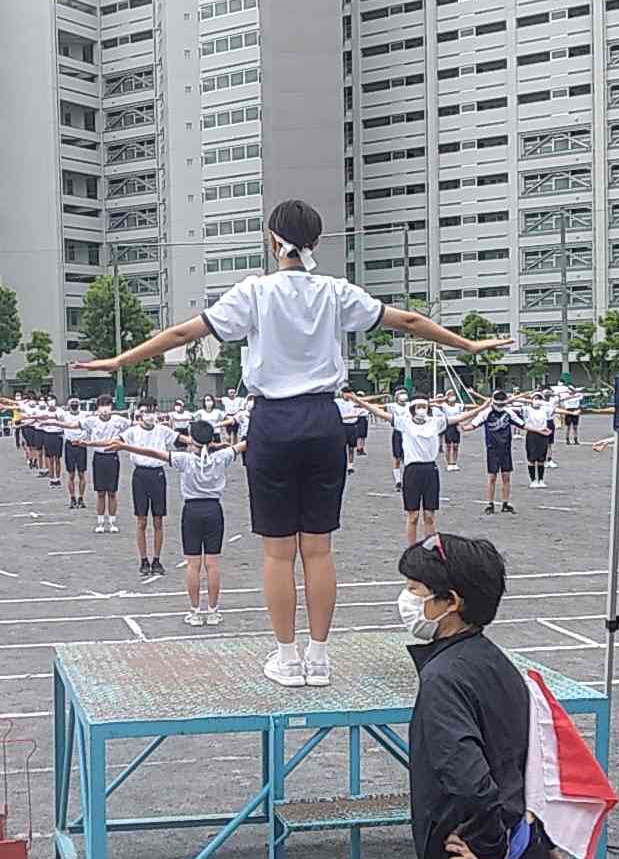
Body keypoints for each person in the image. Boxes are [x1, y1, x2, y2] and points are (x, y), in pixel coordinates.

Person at [76, 198, 512, 688]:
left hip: (274, 423)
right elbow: (408, 321)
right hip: (324, 419)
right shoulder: (334, 291)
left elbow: (183, 331)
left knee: (279, 553)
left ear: (271, 239)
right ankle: (320, 657)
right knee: (319, 551)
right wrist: (468, 345)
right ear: (316, 242)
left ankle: (287, 657)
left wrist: (119, 362)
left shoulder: (255, 292)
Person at [402, 532, 564, 859]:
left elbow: (472, 784)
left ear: (450, 601)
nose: (406, 599)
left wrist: (491, 853)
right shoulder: (495, 661)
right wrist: (541, 843)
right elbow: (527, 760)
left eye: (415, 591)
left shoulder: (444, 680)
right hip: (520, 850)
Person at [105, 419, 245, 626]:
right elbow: (245, 443)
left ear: (193, 439)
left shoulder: (184, 459)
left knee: (193, 564)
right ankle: (214, 611)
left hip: (192, 511)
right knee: (213, 564)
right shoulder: (222, 457)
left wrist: (125, 446)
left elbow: (152, 452)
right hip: (214, 510)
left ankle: (196, 611)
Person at [351, 391, 449, 546]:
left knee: (429, 515)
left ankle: (430, 549)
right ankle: (412, 549)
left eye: (424, 406)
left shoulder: (435, 422)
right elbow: (380, 412)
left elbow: (460, 418)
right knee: (413, 515)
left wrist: (482, 408)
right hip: (412, 471)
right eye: (418, 406)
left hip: (430, 470)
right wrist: (359, 401)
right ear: (412, 407)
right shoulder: (405, 422)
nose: (421, 409)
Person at [121, 406, 180, 577]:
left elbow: (183, 439)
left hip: (158, 474)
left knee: (158, 520)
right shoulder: (133, 432)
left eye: (153, 412)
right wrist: (90, 444)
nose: (150, 415)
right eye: (147, 412)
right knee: (141, 520)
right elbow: (116, 441)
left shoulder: (163, 430)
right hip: (140, 474)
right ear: (140, 414)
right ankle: (143, 559)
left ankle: (157, 558)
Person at [460, 393, 525, 516]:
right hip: (492, 449)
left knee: (506, 476)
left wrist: (539, 430)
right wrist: (464, 427)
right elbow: (474, 424)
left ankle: (505, 503)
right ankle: (490, 503)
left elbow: (522, 424)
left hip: (506, 449)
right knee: (492, 477)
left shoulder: (508, 413)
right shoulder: (486, 413)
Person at [81, 401, 130, 534]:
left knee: (112, 492)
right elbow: (76, 425)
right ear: (97, 408)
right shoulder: (91, 421)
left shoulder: (118, 420)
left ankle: (112, 521)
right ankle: (100, 522)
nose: (104, 409)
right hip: (99, 457)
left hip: (112, 457)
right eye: (102, 406)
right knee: (100, 492)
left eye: (107, 405)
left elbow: (132, 426)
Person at [521, 392, 556, 490]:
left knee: (541, 459)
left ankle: (540, 479)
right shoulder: (527, 409)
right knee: (531, 459)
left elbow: (556, 410)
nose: (537, 400)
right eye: (535, 398)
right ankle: (533, 480)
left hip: (543, 434)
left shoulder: (545, 410)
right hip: (532, 434)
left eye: (539, 398)